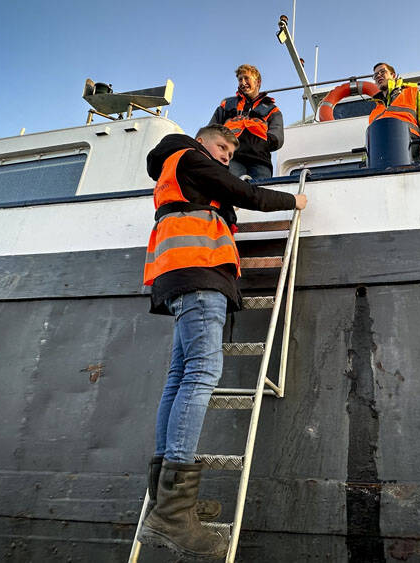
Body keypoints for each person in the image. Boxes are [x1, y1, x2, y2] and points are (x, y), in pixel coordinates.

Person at [139, 124, 306, 560]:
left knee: (179, 378)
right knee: (202, 374)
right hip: (200, 278)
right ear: (202, 143)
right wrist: (294, 201)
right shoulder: (193, 159)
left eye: (231, 152)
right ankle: (173, 512)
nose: (226, 156)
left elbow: (225, 195)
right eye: (221, 147)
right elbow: (247, 195)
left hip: (177, 277)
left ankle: (165, 500)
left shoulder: (177, 172)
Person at [209, 64, 283, 180]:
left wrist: (261, 144)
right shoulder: (226, 104)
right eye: (240, 79)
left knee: (260, 195)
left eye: (246, 78)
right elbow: (211, 130)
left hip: (260, 161)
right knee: (231, 192)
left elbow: (277, 136)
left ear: (258, 82)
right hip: (231, 157)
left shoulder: (272, 109)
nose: (243, 83)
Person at [369, 62, 420, 161]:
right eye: (375, 75)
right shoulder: (374, 112)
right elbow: (370, 141)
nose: (378, 76)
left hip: (411, 152)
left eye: (382, 72)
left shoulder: (411, 92)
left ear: (393, 75)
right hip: (382, 160)